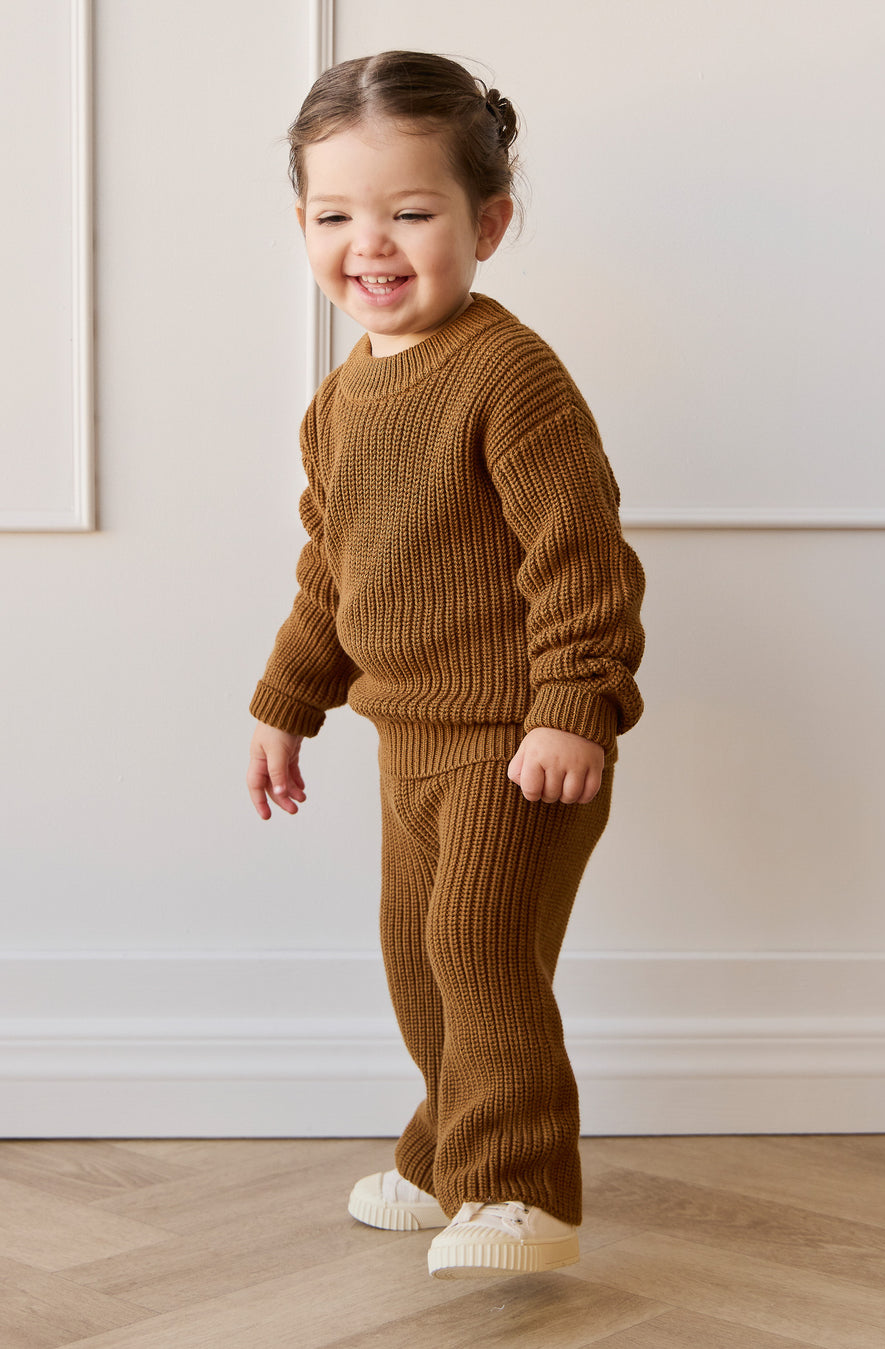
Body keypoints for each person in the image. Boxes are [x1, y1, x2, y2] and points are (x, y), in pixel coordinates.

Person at [246, 50, 646, 1280]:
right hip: (409, 738)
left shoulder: (508, 374)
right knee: (421, 957)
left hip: (518, 740)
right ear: (304, 228)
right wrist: (285, 700)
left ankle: (524, 1186)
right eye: (334, 216)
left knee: (479, 946)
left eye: (410, 213)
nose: (370, 244)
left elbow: (581, 555)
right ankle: (444, 1153)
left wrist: (573, 702)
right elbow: (333, 570)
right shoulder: (340, 402)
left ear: (489, 224)